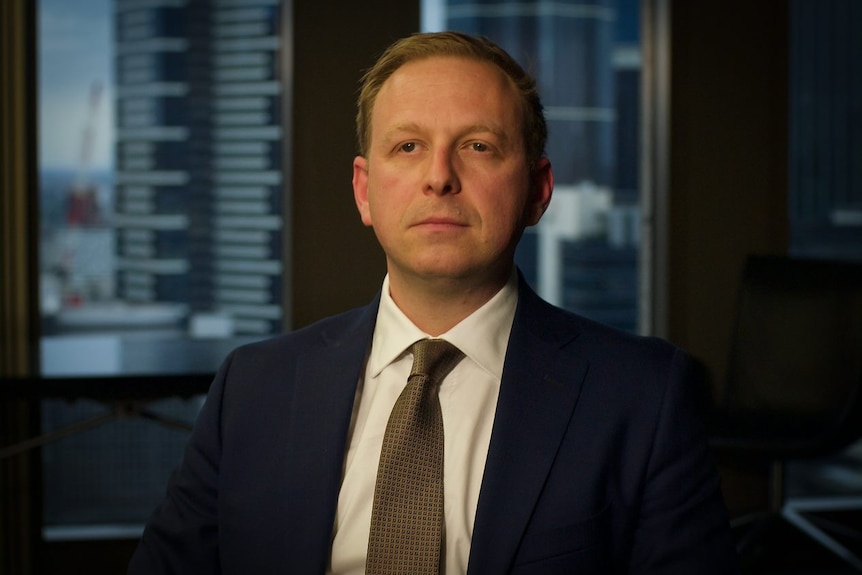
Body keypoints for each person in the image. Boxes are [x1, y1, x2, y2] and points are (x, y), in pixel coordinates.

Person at [128, 31, 741, 574]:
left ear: (537, 190)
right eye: (408, 147)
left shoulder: (642, 396)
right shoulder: (253, 387)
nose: (439, 177)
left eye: (478, 146)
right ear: (365, 194)